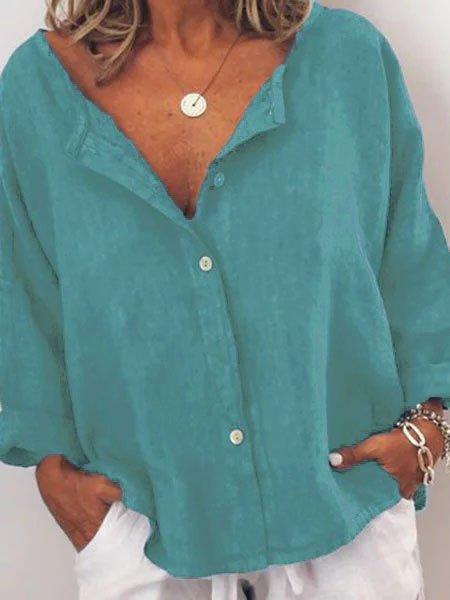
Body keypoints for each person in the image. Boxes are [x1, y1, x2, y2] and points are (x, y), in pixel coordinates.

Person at [0, 0, 449, 598]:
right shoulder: (35, 91)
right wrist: (56, 476)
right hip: (144, 526)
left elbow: (410, 258)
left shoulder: (347, 60)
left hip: (347, 511)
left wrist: (430, 427)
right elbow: (24, 295)